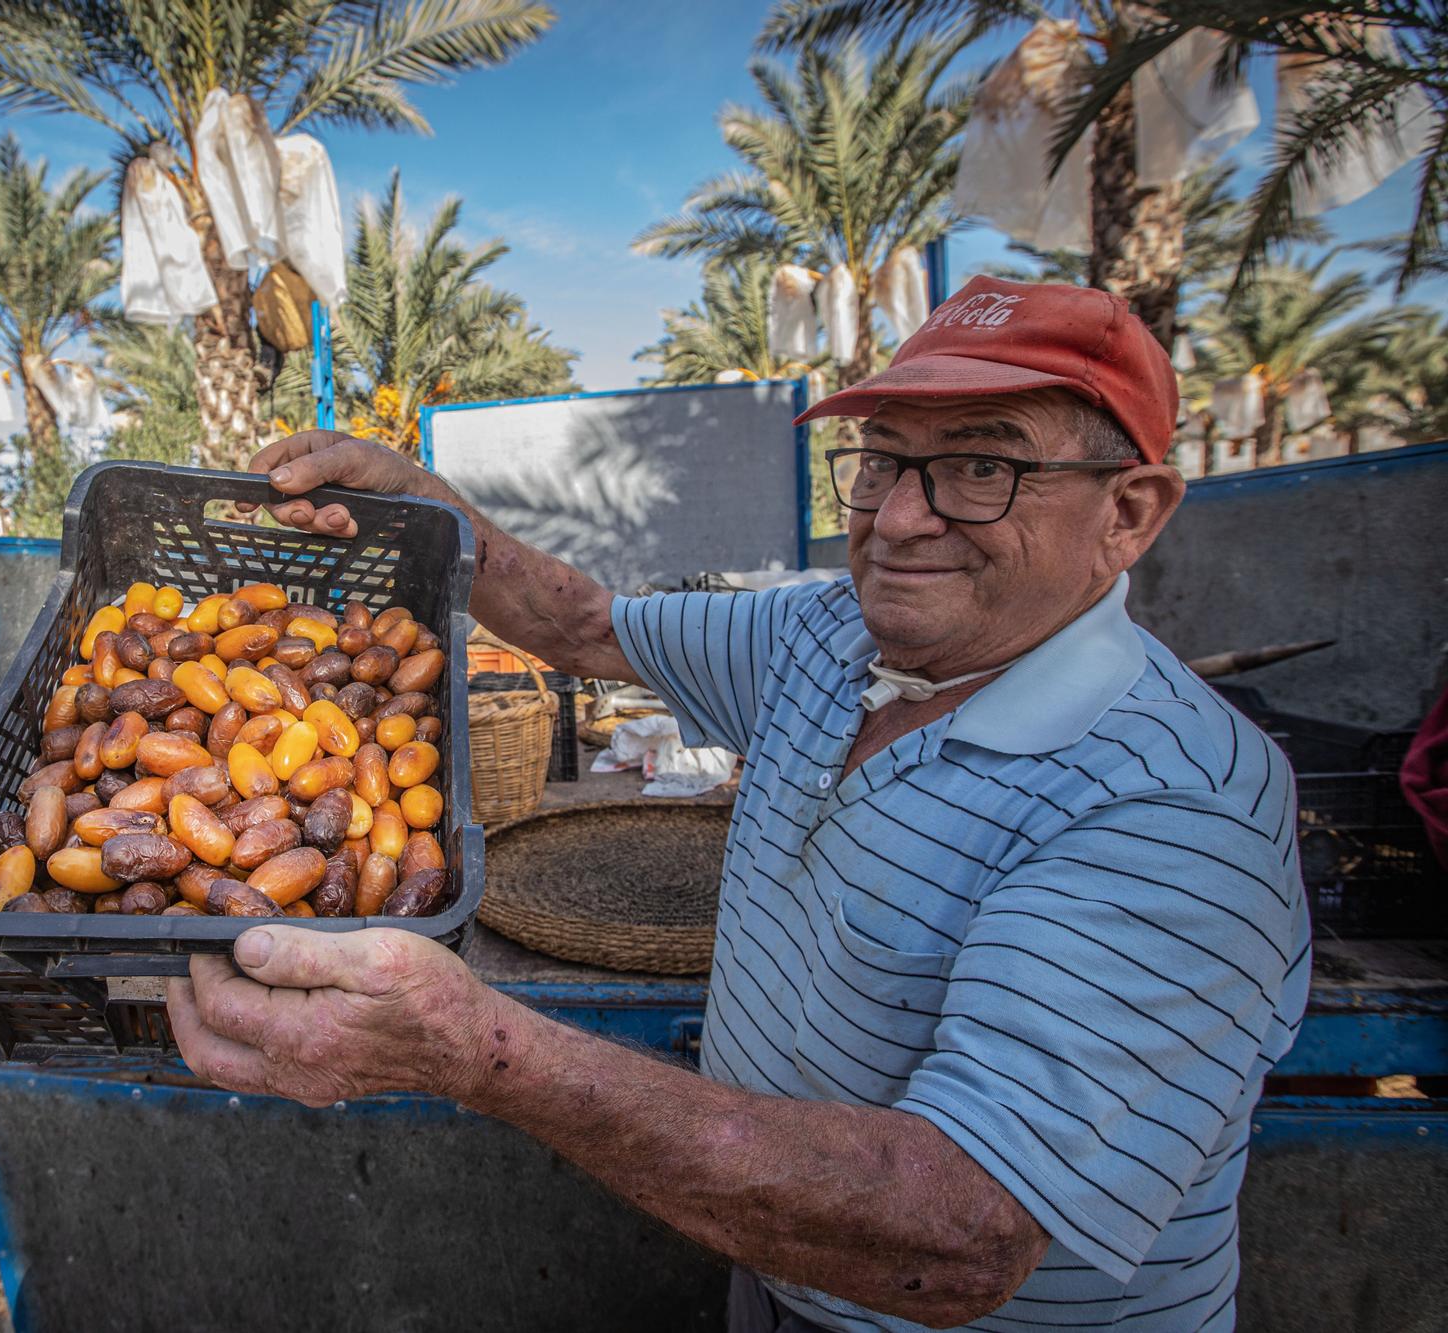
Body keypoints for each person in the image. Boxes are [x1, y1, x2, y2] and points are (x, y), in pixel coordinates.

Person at [166, 277, 1309, 1331]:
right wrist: (425, 502)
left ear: (1130, 512)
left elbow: (961, 1236)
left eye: (980, 468)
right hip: (778, 1274)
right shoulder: (821, 635)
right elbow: (581, 625)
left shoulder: (1176, 805)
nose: (900, 518)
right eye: (880, 461)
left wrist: (481, 1050)